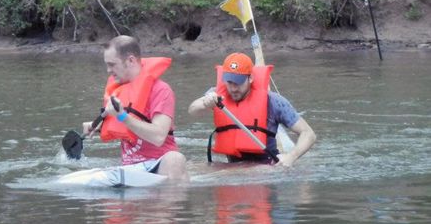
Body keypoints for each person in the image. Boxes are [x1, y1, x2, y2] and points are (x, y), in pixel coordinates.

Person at [80, 35, 189, 181]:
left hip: (157, 165)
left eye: (112, 64)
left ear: (130, 60)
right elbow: (123, 125)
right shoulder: (118, 91)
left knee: (175, 159)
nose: (108, 70)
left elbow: (158, 137)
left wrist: (123, 117)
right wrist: (99, 126)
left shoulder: (161, 90)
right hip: (129, 168)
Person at [187, 51, 316, 168]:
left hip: (265, 166)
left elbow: (308, 134)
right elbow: (192, 110)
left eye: (238, 82)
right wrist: (205, 103)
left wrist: (291, 157)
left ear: (250, 78)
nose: (233, 88)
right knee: (187, 168)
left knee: (225, 173)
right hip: (232, 165)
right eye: (229, 82)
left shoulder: (273, 101)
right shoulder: (217, 95)